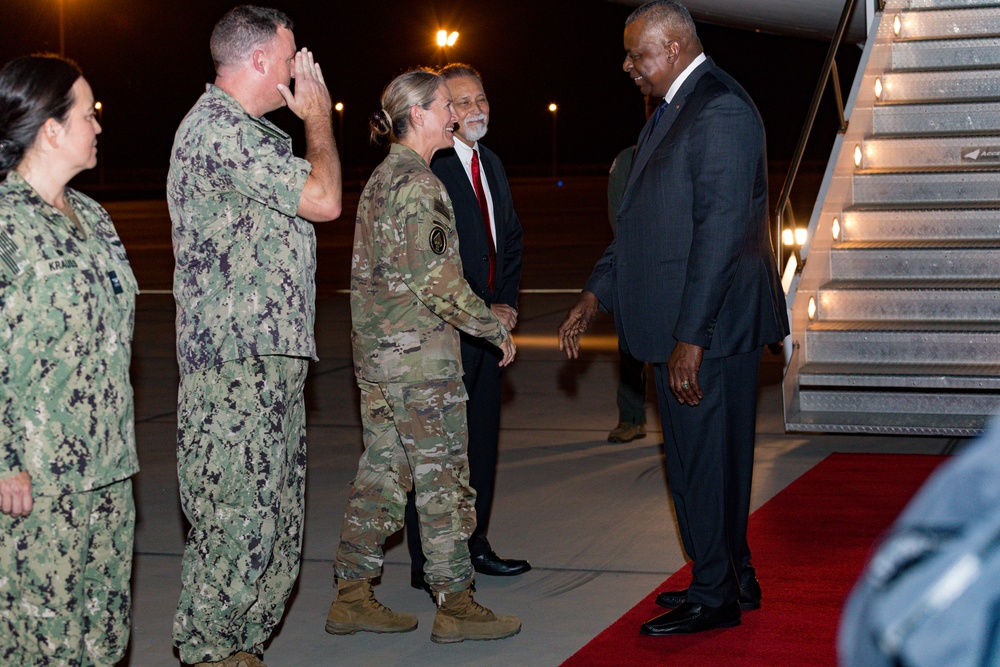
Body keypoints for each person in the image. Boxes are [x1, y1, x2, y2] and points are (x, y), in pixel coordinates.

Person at [558, 0, 789, 636]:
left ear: (676, 47)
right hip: (685, 323)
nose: (628, 65)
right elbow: (643, 223)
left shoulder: (719, 108)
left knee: (705, 465)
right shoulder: (675, 110)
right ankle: (730, 573)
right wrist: (596, 294)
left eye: (639, 53)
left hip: (708, 329)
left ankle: (715, 595)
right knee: (696, 463)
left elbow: (720, 233)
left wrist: (691, 336)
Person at [168, 6, 342, 666]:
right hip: (234, 366)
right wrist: (319, 118)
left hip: (268, 363)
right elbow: (325, 199)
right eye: (292, 56)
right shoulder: (218, 130)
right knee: (237, 526)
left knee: (274, 529)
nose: (301, 71)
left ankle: (241, 649)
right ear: (261, 61)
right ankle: (211, 652)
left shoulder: (252, 137)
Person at [324, 68, 521, 645]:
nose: (453, 116)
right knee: (443, 483)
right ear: (418, 116)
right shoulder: (420, 184)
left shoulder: (384, 179)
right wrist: (493, 329)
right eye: (444, 107)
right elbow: (438, 282)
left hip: (382, 359)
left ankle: (352, 595)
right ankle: (456, 603)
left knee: (382, 477)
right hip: (418, 364)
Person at [0, 54, 139, 666]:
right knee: (39, 641)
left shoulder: (95, 217)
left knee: (104, 634)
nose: (98, 126)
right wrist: (5, 461)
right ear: (51, 129)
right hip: (38, 478)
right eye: (88, 113)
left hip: (107, 465)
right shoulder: (5, 224)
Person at [403, 63, 529, 591]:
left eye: (481, 98)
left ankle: (475, 545)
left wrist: (506, 308)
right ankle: (428, 561)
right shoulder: (430, 169)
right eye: (461, 102)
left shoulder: (491, 163)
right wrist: (482, 311)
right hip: (447, 331)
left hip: (489, 331)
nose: (474, 109)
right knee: (436, 451)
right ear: (443, 112)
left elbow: (511, 242)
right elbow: (437, 262)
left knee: (480, 443)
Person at [604, 96, 656, 445]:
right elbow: (618, 222)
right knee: (630, 351)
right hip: (636, 272)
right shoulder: (628, 160)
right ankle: (632, 418)